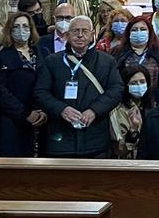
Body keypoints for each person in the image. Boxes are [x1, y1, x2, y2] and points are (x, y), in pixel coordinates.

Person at [35, 15, 125, 158]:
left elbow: (116, 90)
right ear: (67, 35)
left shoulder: (107, 61)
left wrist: (94, 111)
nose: (80, 35)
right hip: (59, 141)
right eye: (75, 31)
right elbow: (41, 93)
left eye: (85, 31)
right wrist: (61, 109)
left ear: (92, 35)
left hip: (96, 139)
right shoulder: (52, 61)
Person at [0, 11, 46, 156]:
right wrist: (26, 113)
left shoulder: (42, 53)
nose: (21, 31)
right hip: (11, 120)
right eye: (16, 27)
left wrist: (44, 109)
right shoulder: (1, 57)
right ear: (10, 30)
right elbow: (0, 91)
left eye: (26, 26)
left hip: (40, 117)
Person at [110, 63, 154, 158]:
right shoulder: (117, 110)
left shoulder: (154, 106)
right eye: (133, 83)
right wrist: (133, 131)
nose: (139, 86)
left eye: (142, 82)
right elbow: (119, 150)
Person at [116, 16, 159, 90]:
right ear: (128, 33)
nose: (139, 32)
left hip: (155, 98)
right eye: (134, 30)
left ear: (150, 32)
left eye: (143, 29)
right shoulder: (118, 52)